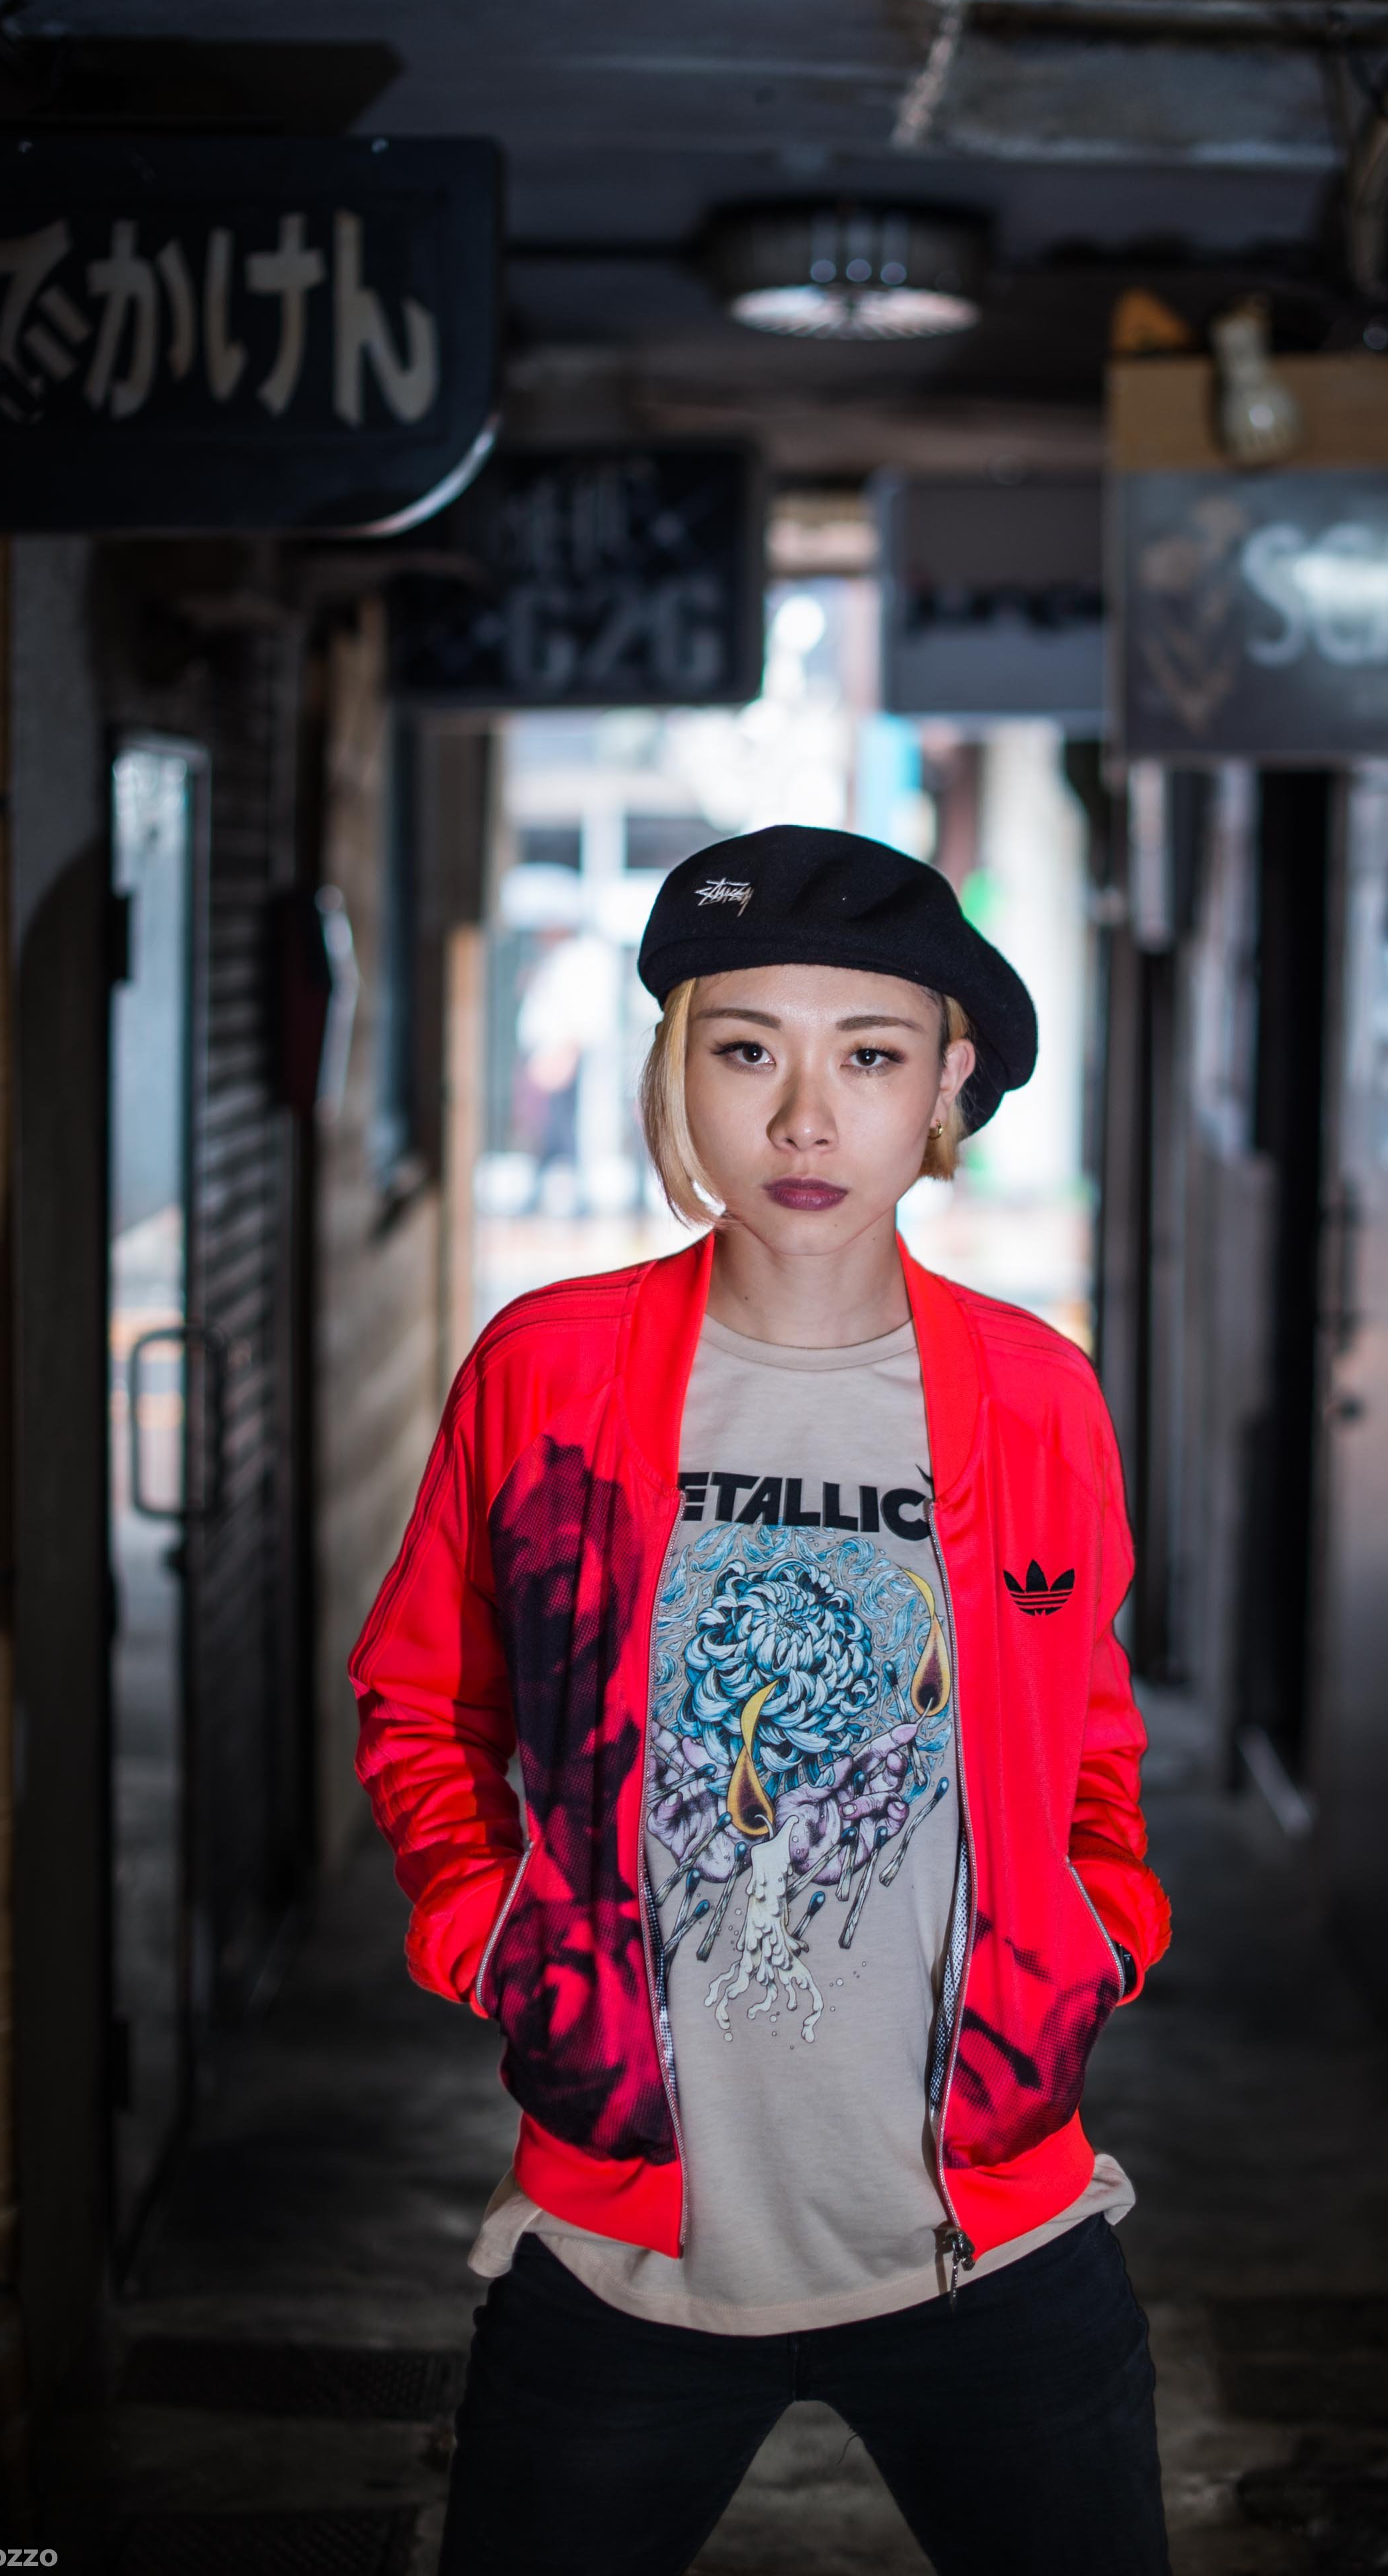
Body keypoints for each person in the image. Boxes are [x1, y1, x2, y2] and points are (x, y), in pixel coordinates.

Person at [351, 824, 1173, 2576]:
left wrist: (1099, 1932)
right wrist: (483, 1926)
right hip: (626, 2255)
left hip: (996, 2239)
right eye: (748, 1051)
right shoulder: (549, 1373)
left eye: (867, 1057)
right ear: (680, 1070)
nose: (806, 1120)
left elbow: (1089, 1741)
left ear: (944, 1080)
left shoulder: (1034, 1400)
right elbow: (423, 1700)